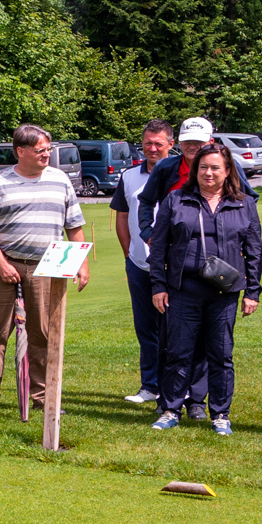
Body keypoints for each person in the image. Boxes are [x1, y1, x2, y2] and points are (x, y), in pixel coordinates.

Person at [0, 125, 87, 416]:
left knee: (42, 333)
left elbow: (74, 225)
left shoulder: (60, 180)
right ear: (20, 151)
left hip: (46, 267)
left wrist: (81, 264)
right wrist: (2, 264)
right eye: (40, 150)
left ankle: (42, 396)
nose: (46, 154)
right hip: (1, 264)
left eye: (48, 149)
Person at [147, 141, 261, 434]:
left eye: (215, 168)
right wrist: (158, 286)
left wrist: (252, 292)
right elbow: (158, 247)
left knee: (221, 355)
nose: (208, 173)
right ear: (195, 170)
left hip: (224, 293)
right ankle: (171, 409)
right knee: (178, 352)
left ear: (228, 170)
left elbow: (254, 251)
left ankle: (220, 414)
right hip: (183, 289)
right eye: (203, 167)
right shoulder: (176, 200)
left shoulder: (244, 204)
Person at [108, 121, 175, 404]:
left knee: (175, 329)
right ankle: (150, 386)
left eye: (159, 143)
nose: (152, 148)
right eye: (148, 143)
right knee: (146, 328)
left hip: (175, 266)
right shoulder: (129, 176)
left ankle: (177, 387)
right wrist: (128, 253)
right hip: (139, 264)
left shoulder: (182, 174)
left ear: (171, 144)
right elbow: (122, 216)